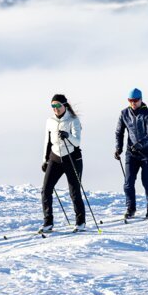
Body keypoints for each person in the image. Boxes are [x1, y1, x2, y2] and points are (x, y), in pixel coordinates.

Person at [40, 94, 86, 233]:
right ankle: (48, 223)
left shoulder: (73, 120)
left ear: (64, 105)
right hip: (55, 157)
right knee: (46, 190)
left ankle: (80, 222)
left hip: (71, 157)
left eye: (58, 105)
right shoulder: (50, 121)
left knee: (74, 191)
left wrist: (67, 135)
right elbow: (47, 141)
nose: (55, 109)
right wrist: (45, 160)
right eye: (53, 106)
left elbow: (77, 142)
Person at [115, 88, 148, 219]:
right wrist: (118, 148)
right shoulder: (124, 113)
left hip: (147, 153)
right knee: (128, 182)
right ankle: (130, 208)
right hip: (131, 153)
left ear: (141, 99)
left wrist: (140, 144)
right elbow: (119, 132)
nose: (133, 103)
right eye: (130, 100)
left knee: (146, 181)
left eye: (135, 100)